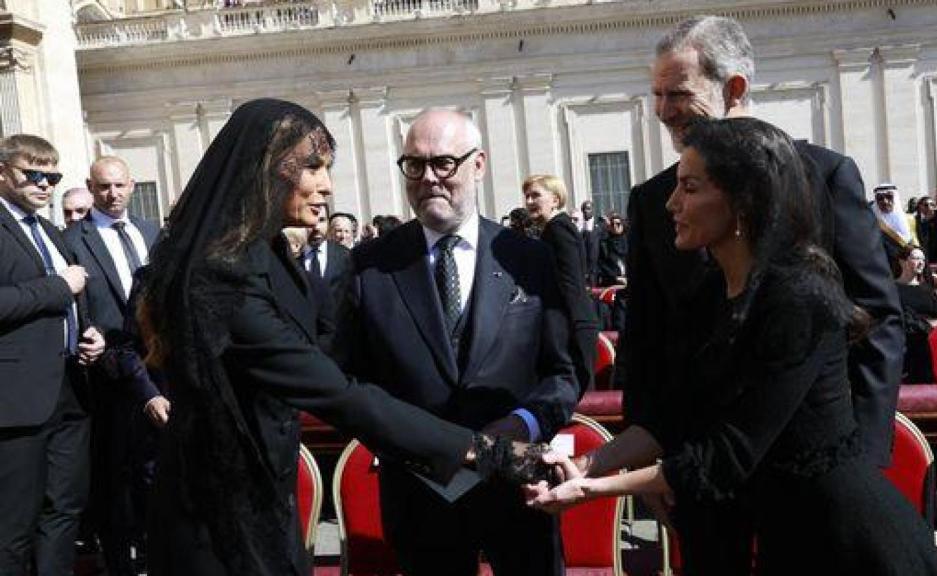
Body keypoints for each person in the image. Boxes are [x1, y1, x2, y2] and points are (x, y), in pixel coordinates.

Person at [138, 99, 543, 576]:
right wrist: (482, 449)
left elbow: (338, 352)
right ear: (267, 169)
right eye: (313, 168)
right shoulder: (219, 275)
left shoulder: (270, 258)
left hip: (267, 488)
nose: (327, 187)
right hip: (215, 507)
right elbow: (332, 390)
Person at [526, 117, 937, 576]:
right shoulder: (712, 295)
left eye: (689, 187)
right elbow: (674, 419)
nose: (670, 203)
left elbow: (728, 454)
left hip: (850, 542)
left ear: (743, 200)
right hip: (783, 531)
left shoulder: (800, 295)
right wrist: (586, 464)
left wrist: (591, 491)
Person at [622, 17, 903, 493]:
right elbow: (647, 344)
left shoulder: (825, 175)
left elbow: (875, 319)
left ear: (734, 87)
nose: (663, 112)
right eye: (657, 95)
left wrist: (864, 459)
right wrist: (646, 467)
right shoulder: (653, 201)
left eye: (678, 94)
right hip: (701, 471)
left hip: (813, 471)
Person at [335, 109, 577, 576]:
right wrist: (419, 444)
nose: (428, 178)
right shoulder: (369, 266)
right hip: (420, 501)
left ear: (479, 165)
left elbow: (563, 372)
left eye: (443, 163)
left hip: (519, 494)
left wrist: (523, 423)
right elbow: (351, 385)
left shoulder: (528, 257)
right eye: (414, 165)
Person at [0, 134, 106, 575]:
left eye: (53, 176)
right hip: (17, 400)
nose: (45, 185)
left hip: (70, 388)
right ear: (3, 172)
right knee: (13, 525)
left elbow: (75, 295)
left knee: (63, 513)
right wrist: (58, 288)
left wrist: (90, 330)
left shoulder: (47, 230)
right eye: (34, 174)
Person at [63, 155, 162, 575]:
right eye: (103, 187)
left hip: (156, 372)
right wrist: (91, 335)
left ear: (131, 185)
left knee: (154, 473)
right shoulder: (72, 238)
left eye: (120, 186)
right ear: (91, 186)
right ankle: (119, 563)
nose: (113, 194)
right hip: (105, 374)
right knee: (113, 478)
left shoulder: (152, 232)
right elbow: (76, 304)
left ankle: (159, 556)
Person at [523, 174, 600, 394]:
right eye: (527, 196)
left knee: (577, 402)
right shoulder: (556, 227)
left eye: (535, 195)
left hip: (572, 324)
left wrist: (563, 327)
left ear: (555, 200)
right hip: (573, 321)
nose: (529, 201)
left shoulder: (557, 229)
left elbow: (569, 281)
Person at [894, 245, 937, 384]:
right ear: (902, 261)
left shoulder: (929, 289)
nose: (921, 263)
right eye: (916, 258)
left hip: (933, 344)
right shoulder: (892, 289)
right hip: (908, 346)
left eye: (923, 259)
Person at [596, 212, 627, 286]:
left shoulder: (628, 241)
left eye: (618, 224)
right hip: (612, 282)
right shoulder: (604, 243)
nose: (615, 226)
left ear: (622, 225)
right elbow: (601, 264)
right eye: (612, 224)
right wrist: (615, 278)